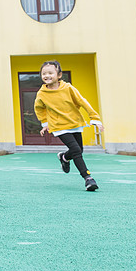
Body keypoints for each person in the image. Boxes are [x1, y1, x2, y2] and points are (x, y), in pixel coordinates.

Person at [34, 60, 102, 191]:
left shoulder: (68, 88)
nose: (47, 76)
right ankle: (88, 178)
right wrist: (45, 123)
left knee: (78, 150)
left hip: (74, 122)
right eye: (44, 73)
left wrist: (94, 118)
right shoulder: (42, 94)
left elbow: (82, 101)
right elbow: (39, 108)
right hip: (59, 126)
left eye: (50, 73)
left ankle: (64, 157)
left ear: (59, 75)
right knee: (76, 150)